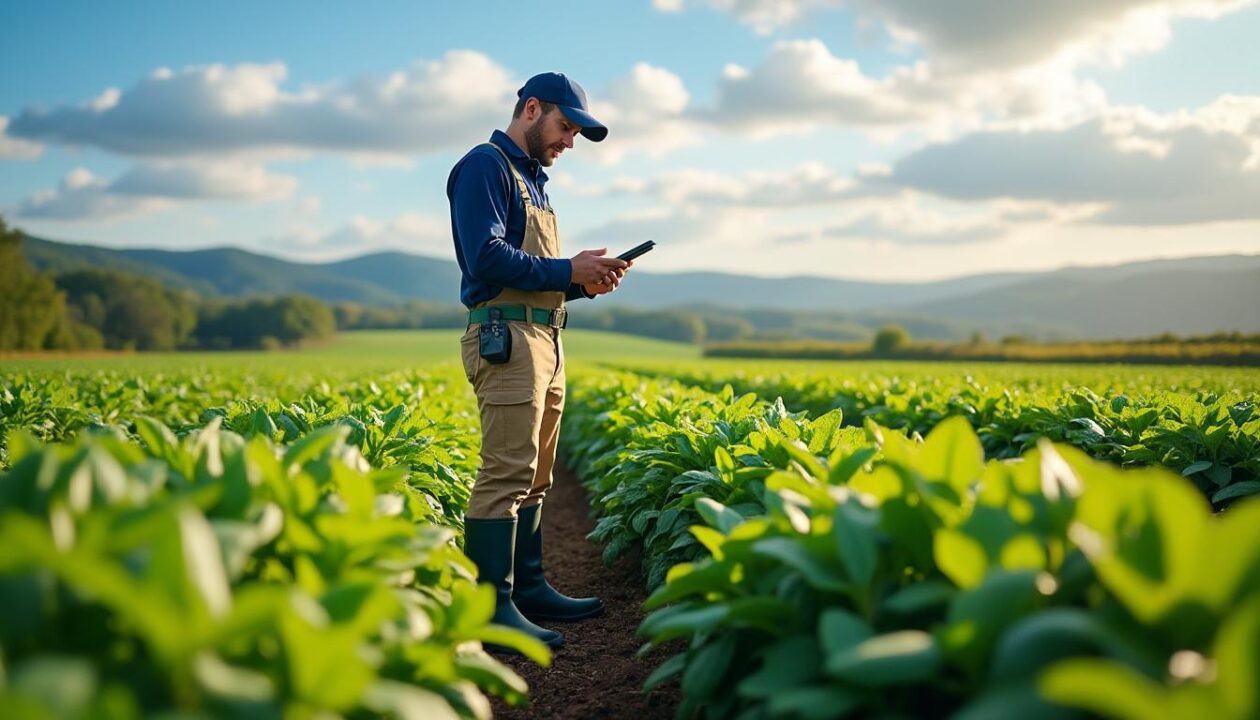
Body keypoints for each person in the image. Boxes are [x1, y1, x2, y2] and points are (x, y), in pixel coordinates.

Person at [447, 72, 631, 652]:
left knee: (538, 474)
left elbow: (532, 276)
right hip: (506, 338)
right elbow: (485, 258)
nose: (569, 142)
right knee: (505, 473)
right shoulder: (485, 166)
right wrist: (565, 270)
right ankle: (491, 608)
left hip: (545, 337)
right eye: (565, 126)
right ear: (531, 108)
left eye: (576, 132)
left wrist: (582, 283)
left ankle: (526, 588)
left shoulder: (534, 181)